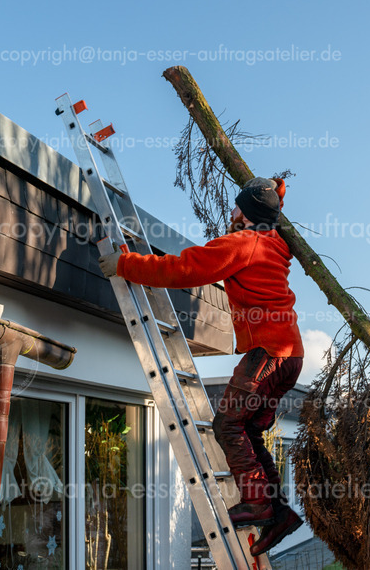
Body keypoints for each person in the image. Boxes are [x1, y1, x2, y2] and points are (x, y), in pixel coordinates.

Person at [99, 177, 304, 555]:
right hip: (290, 355)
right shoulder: (274, 242)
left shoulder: (242, 244)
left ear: (247, 214)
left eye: (236, 207)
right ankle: (278, 514)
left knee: (227, 424)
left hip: (269, 350)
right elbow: (272, 207)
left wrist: (124, 264)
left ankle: (259, 503)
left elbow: (184, 270)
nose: (230, 212)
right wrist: (274, 190)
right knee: (250, 430)